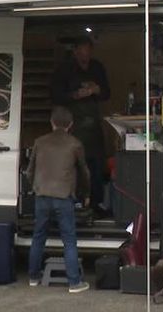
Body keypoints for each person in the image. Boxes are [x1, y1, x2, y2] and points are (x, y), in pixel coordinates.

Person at [26, 106, 91, 293]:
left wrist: (35, 187)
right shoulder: (75, 144)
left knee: (38, 236)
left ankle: (33, 277)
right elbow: (84, 172)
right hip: (63, 196)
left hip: (42, 195)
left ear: (52, 123)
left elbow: (29, 171)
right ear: (71, 124)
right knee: (69, 239)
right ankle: (74, 283)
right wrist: (86, 194)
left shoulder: (39, 142)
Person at [51, 36, 110, 214]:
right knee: (73, 165)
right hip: (72, 126)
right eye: (83, 50)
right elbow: (55, 95)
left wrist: (96, 89)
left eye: (89, 50)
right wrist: (76, 95)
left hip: (93, 126)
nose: (86, 54)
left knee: (96, 166)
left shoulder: (97, 67)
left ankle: (96, 205)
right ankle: (73, 203)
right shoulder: (64, 69)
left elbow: (107, 93)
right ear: (75, 50)